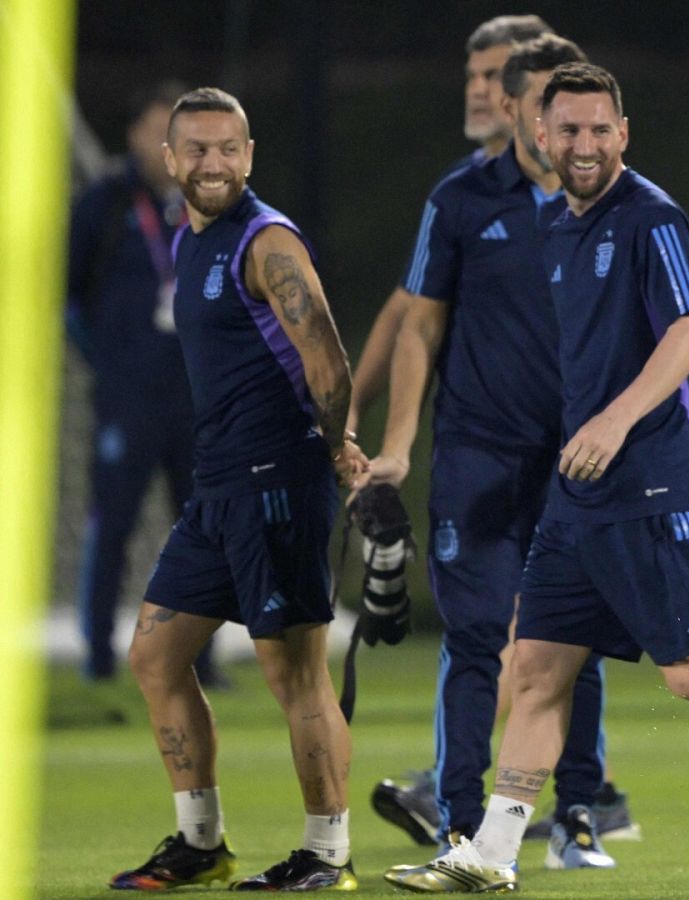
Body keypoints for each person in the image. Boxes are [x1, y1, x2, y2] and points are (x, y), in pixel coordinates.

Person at [386, 62, 689, 894]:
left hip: (653, 482)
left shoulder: (651, 217)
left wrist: (613, 419)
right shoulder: (558, 227)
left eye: (601, 130)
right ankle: (492, 850)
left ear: (623, 135)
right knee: (536, 667)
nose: (585, 144)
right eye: (570, 130)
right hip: (580, 490)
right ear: (541, 136)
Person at [352, 15, 639, 850]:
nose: (553, 128)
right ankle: (458, 821)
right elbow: (417, 326)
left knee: (570, 636)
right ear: (523, 113)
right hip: (478, 457)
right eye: (536, 106)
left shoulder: (617, 206)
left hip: (576, 462)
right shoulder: (460, 201)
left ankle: (580, 813)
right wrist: (398, 442)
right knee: (477, 638)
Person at [107, 87, 368, 892]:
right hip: (218, 489)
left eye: (229, 148)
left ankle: (328, 854)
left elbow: (325, 356)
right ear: (171, 159)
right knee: (155, 658)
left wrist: (343, 451)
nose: (213, 162)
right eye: (198, 149)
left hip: (278, 483)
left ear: (249, 155)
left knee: (294, 674)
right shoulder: (194, 241)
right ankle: (201, 844)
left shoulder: (266, 240)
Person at [66, 80, 225, 688]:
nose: (168, 145)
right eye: (158, 132)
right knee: (114, 527)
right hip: (127, 400)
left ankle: (203, 661)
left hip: (198, 401)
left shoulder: (213, 205)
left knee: (205, 530)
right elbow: (70, 298)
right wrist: (108, 361)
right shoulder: (104, 204)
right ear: (133, 136)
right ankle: (99, 658)